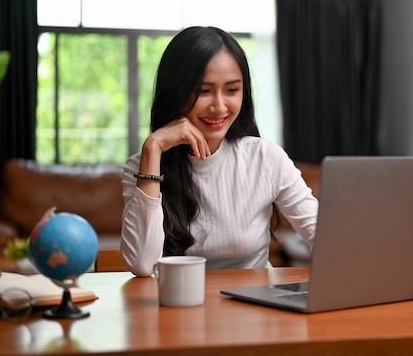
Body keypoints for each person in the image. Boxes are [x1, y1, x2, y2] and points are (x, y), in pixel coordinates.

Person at [121, 26, 318, 277]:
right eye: (203, 91)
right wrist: (153, 148)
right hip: (180, 305)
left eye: (232, 90)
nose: (219, 106)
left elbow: (326, 239)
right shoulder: (142, 165)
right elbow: (142, 265)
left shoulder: (266, 158)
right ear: (175, 92)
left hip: (256, 306)